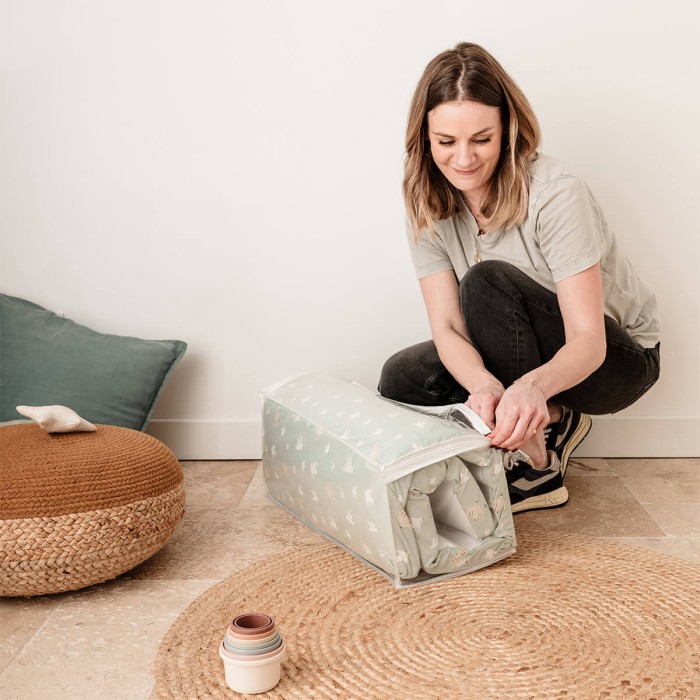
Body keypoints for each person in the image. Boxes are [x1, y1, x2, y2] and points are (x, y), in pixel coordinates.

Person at [378, 43, 661, 513]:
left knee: (487, 283)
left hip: (615, 360)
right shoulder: (426, 202)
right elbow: (447, 327)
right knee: (403, 378)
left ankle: (538, 459)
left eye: (481, 140)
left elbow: (589, 341)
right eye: (446, 142)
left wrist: (529, 387)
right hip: (524, 348)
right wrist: (484, 386)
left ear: (508, 130)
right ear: (425, 138)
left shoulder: (556, 193)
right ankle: (544, 416)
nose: (463, 159)